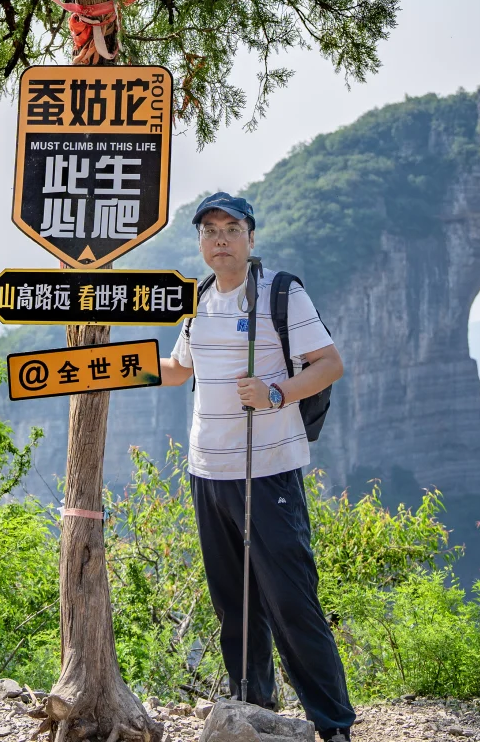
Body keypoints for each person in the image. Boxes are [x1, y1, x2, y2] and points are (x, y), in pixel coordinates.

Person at [160, 192, 355, 742]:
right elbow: (179, 369)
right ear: (199, 241)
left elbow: (329, 364)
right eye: (209, 230)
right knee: (234, 601)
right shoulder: (196, 299)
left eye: (231, 229)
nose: (219, 239)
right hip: (208, 471)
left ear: (250, 237)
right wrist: (110, 365)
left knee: (291, 599)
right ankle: (254, 708)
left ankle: (332, 723)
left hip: (267, 471)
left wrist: (274, 392)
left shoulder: (280, 294)